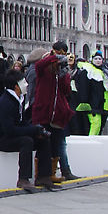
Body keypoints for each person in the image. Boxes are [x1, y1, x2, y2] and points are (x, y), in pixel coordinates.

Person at [0, 69, 56, 193]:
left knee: (43, 139)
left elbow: (22, 122)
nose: (27, 85)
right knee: (26, 141)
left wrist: (37, 130)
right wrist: (32, 130)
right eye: (24, 82)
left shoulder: (17, 100)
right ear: (16, 86)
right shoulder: (6, 102)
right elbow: (9, 130)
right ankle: (23, 178)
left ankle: (44, 176)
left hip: (10, 135)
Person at [31, 41, 79, 182]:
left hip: (57, 114)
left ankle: (54, 173)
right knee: (44, 144)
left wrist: (64, 73)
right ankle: (42, 174)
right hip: (44, 112)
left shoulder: (60, 73)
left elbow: (66, 91)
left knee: (57, 143)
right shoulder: (43, 69)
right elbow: (39, 66)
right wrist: (54, 58)